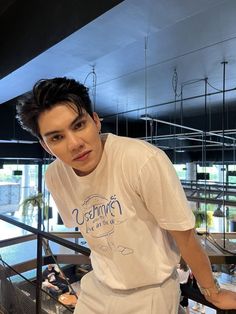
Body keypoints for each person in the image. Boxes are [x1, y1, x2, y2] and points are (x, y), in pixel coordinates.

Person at [16, 77, 236, 314]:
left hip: (151, 291)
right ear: (45, 145)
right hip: (98, 285)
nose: (74, 144)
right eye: (56, 137)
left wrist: (212, 291)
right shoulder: (55, 176)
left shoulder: (142, 160)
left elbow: (185, 237)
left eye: (79, 125)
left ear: (96, 121)